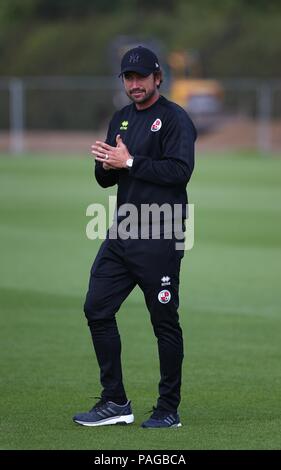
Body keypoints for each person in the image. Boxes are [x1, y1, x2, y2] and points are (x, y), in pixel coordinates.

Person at [73, 46, 197, 428]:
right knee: (96, 308)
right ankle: (115, 402)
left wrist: (128, 162)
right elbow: (106, 178)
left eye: (141, 76)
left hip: (160, 234)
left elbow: (179, 172)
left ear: (158, 78)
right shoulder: (121, 118)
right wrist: (106, 162)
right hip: (123, 231)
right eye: (128, 77)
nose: (134, 84)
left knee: (163, 321)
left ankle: (168, 409)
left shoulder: (175, 119)